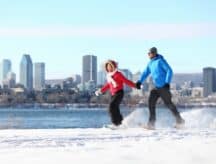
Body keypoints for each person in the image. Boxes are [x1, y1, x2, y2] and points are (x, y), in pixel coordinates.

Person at [136, 47, 185, 129]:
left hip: (163, 87)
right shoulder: (150, 63)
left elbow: (169, 70)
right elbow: (145, 73)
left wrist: (167, 83)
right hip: (156, 87)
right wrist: (139, 81)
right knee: (151, 103)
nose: (148, 55)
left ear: (154, 53)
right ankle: (151, 124)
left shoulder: (160, 61)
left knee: (168, 104)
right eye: (148, 53)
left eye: (150, 53)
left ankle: (180, 120)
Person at [95, 60, 136, 126]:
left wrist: (135, 85)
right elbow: (108, 85)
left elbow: (126, 81)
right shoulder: (109, 76)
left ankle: (115, 123)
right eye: (107, 66)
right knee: (115, 109)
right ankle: (121, 123)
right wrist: (100, 91)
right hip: (113, 94)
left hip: (119, 93)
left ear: (113, 66)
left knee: (112, 107)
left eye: (110, 66)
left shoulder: (118, 74)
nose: (108, 68)